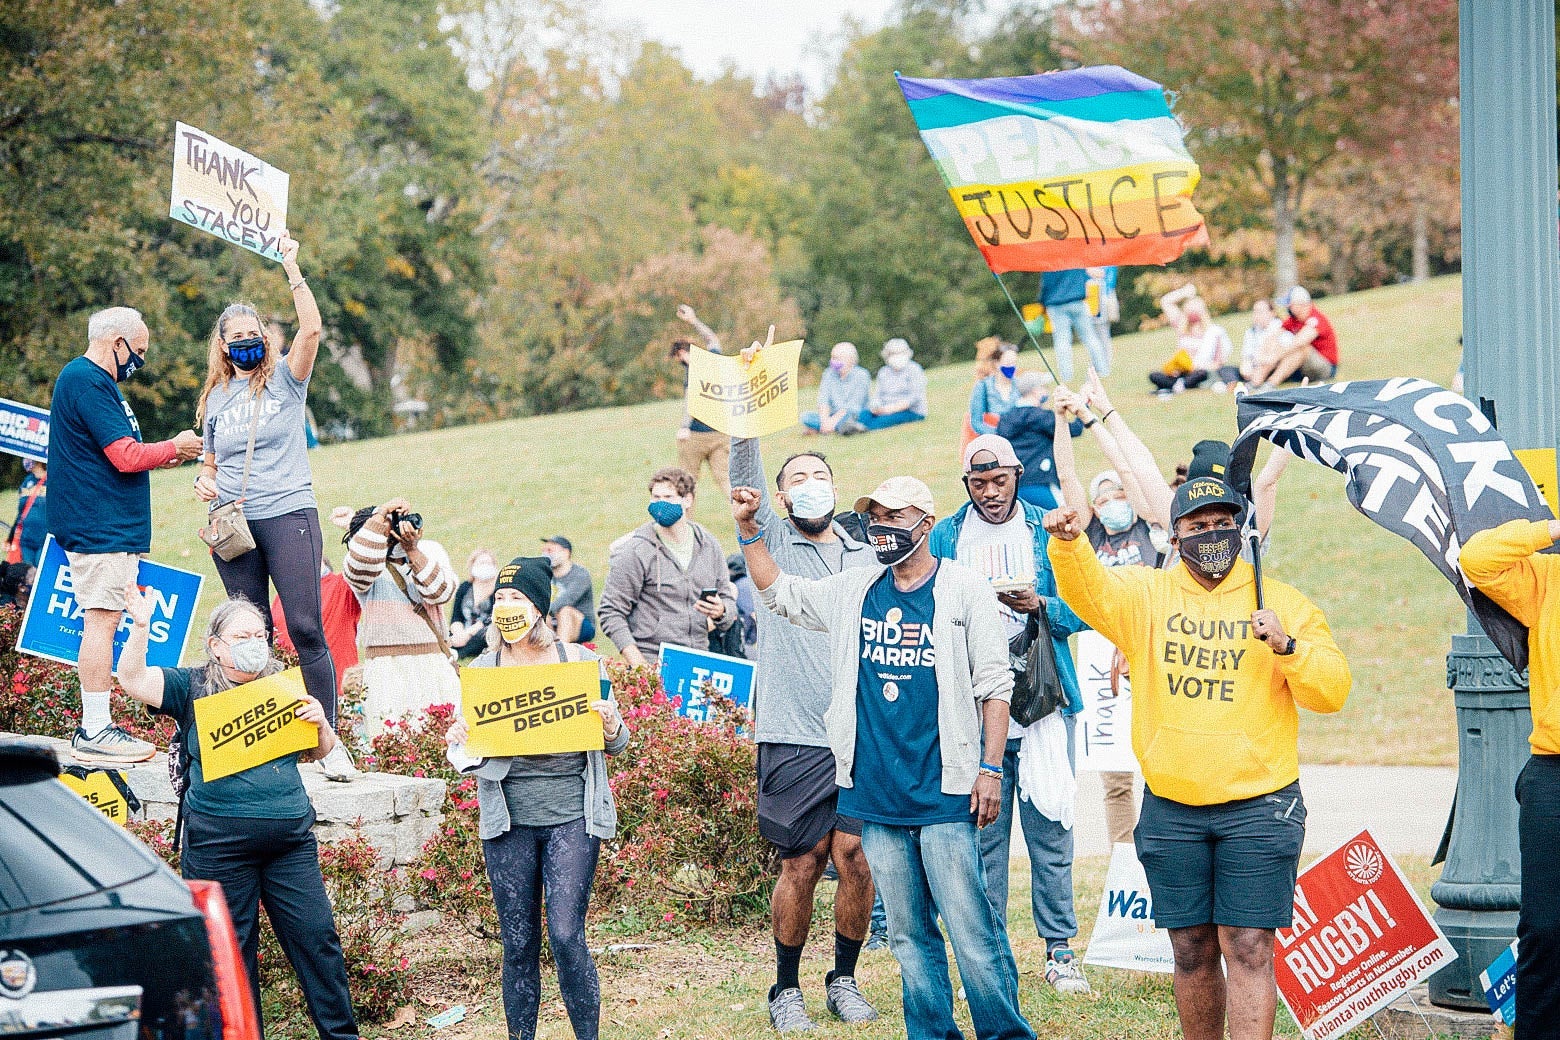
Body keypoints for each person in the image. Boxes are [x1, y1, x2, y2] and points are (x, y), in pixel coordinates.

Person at [1045, 440, 1351, 1040]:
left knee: (1249, 945)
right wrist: (1067, 542)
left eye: (1223, 522)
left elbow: (1332, 691)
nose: (1212, 533)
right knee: (1188, 948)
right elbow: (1089, 594)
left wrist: (1289, 648)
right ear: (1174, 536)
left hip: (1260, 807)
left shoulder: (1280, 601)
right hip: (1173, 808)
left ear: (1242, 527)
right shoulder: (1147, 595)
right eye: (1197, 525)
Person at [735, 475, 1035, 1040]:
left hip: (946, 788)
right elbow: (781, 593)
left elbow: (996, 684)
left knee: (970, 928)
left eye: (894, 518)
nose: (881, 528)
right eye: (874, 518)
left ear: (926, 523)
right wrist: (750, 531)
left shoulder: (964, 588)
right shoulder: (856, 588)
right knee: (907, 933)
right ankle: (932, 1032)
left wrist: (990, 768)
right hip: (875, 791)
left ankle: (1004, 1032)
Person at [116, 587, 359, 1040]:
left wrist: (321, 721)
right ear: (216, 645)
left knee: (318, 941)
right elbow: (131, 679)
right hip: (218, 848)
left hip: (289, 843)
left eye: (261, 634)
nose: (255, 643)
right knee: (231, 956)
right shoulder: (190, 685)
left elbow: (320, 750)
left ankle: (342, 1034)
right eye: (242, 635)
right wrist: (142, 626)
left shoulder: (281, 683)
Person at [927, 434, 1093, 996]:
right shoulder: (947, 535)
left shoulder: (1049, 528)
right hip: (976, 707)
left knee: (1052, 830)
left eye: (1000, 481)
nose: (991, 493)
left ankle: (1060, 950)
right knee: (984, 837)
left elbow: (1089, 604)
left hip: (1045, 702)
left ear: (1018, 475)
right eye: (979, 483)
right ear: (966, 485)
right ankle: (992, 950)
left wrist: (1041, 605)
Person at [728, 415, 878, 1032]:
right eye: (799, 479)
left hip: (858, 730)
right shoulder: (772, 541)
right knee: (803, 862)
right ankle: (784, 988)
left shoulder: (864, 553)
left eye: (821, 475)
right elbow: (746, 488)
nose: (812, 484)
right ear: (783, 496)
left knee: (856, 857)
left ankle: (843, 979)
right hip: (793, 730)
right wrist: (743, 421)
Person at [443, 557, 630, 1040]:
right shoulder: (484, 669)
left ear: (539, 606)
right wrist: (460, 741)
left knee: (567, 936)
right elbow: (472, 759)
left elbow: (617, 740)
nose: (507, 607)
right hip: (509, 818)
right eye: (500, 598)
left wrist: (611, 725)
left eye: (518, 598)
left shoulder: (582, 662)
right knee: (518, 943)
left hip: (572, 811)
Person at [191, 238, 354, 779]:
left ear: (263, 337)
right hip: (235, 524)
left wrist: (291, 266)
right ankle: (258, 740)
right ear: (221, 346)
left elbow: (311, 328)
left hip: (288, 513)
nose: (245, 343)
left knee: (305, 627)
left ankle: (327, 741)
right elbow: (211, 461)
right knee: (246, 633)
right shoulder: (215, 398)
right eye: (235, 338)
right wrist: (204, 480)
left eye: (252, 335)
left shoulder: (287, 378)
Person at [48, 306, 204, 764]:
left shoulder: (96, 384)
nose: (139, 361)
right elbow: (124, 456)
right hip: (100, 528)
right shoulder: (88, 382)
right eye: (137, 351)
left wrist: (164, 454)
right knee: (102, 620)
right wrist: (175, 446)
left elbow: (127, 454)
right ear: (115, 342)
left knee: (106, 618)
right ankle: (95, 728)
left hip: (108, 526)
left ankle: (97, 724)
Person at [1462, 518, 1560, 1039]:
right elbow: (1478, 560)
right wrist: (1550, 528)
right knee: (1545, 929)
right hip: (1553, 772)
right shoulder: (1546, 578)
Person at [341, 497, 460, 735]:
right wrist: (380, 516)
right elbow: (360, 566)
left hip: (433, 660)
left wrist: (412, 550)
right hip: (387, 667)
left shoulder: (428, 552)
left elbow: (441, 591)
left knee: (443, 738)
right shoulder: (363, 565)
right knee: (391, 740)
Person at [598, 466, 737, 668]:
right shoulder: (636, 551)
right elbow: (611, 611)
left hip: (698, 658)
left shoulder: (708, 545)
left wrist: (721, 611)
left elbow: (728, 598)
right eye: (656, 497)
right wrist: (639, 664)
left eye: (669, 497)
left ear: (687, 500)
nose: (661, 504)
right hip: (652, 658)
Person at [272, 552, 362, 701]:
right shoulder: (281, 598)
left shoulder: (341, 587)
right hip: (297, 699)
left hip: (340, 696)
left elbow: (362, 563)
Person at [996, 372, 1084, 511]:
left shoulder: (1005, 419)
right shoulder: (1041, 417)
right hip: (1042, 483)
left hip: (1013, 488)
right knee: (1067, 523)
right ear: (1035, 391)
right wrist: (1083, 407)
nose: (1046, 391)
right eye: (1043, 387)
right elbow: (1074, 429)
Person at [670, 304, 731, 502]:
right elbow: (712, 339)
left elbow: (691, 401)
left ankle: (683, 522)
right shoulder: (712, 360)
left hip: (697, 434)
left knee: (687, 482)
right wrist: (694, 320)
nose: (681, 360)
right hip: (721, 432)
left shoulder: (695, 370)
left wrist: (684, 427)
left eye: (680, 356)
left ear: (683, 353)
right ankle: (747, 518)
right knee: (724, 479)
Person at [1150, 285, 1234, 396]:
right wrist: (1185, 292)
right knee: (1154, 375)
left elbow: (1218, 363)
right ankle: (1178, 384)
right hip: (1182, 372)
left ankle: (1178, 385)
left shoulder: (1213, 333)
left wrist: (1199, 365)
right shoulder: (1182, 327)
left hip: (1201, 371)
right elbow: (1166, 302)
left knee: (1200, 374)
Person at [1249, 286, 1339, 387]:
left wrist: (1273, 358)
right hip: (1303, 367)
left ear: (1300, 305)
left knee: (1302, 348)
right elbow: (1273, 336)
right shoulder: (1294, 319)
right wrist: (1264, 353)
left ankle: (1271, 383)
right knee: (1276, 345)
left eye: (1290, 305)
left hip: (1326, 368)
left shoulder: (1316, 319)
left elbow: (1298, 342)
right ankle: (1255, 382)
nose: (1287, 308)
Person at [1040, 268, 1109, 381]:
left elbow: (1046, 285)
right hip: (1078, 301)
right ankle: (1102, 369)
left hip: (1056, 304)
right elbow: (1085, 277)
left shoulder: (1050, 261)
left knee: (1062, 341)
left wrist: (1042, 302)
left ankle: (1066, 375)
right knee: (1090, 337)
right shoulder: (1074, 256)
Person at [857, 339, 928, 432]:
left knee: (881, 421)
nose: (896, 356)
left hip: (910, 410)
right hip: (884, 408)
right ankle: (855, 427)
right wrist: (876, 407)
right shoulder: (883, 372)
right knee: (863, 415)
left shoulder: (914, 370)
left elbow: (914, 398)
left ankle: (863, 429)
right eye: (893, 353)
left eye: (900, 353)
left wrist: (892, 409)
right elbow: (878, 395)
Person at [802, 342, 872, 436]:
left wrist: (832, 421)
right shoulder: (828, 373)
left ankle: (838, 427)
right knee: (806, 417)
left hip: (853, 414)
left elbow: (854, 405)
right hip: (832, 415)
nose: (832, 360)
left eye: (836, 358)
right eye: (832, 357)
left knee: (858, 417)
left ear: (850, 359)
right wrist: (824, 421)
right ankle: (840, 428)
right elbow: (823, 400)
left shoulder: (862, 375)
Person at [542, 535, 596, 644]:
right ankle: (549, 650)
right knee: (541, 617)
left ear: (566, 552)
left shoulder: (580, 575)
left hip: (580, 624)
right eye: (544, 550)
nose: (546, 554)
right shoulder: (543, 574)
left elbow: (567, 600)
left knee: (564, 611)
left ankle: (562, 653)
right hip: (551, 622)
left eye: (550, 550)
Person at [450, 548, 499, 662]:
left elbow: (492, 618)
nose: (485, 566)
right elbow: (456, 617)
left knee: (486, 634)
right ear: (473, 565)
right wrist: (459, 633)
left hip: (483, 631)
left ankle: (459, 653)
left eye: (489, 563)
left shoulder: (498, 590)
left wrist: (468, 634)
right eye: (482, 563)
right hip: (464, 629)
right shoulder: (465, 587)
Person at [1237, 299, 1295, 388]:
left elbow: (1288, 346)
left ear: (1272, 313)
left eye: (1261, 312)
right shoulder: (1251, 331)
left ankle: (1257, 383)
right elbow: (1247, 355)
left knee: (1271, 351)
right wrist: (1247, 365)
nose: (1257, 315)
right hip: (1257, 365)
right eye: (1255, 312)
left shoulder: (1280, 327)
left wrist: (1267, 357)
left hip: (1278, 364)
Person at [968, 344, 1021, 436]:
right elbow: (976, 422)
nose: (1012, 366)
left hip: (1019, 437)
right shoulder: (983, 386)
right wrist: (998, 433)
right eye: (1008, 363)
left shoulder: (1020, 384)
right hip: (994, 439)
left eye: (1014, 363)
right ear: (996, 363)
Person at [7, 458, 46, 567]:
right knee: (28, 574)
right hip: (26, 539)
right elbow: (20, 514)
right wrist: (10, 539)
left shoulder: (53, 481)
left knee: (40, 571)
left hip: (43, 539)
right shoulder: (27, 482)